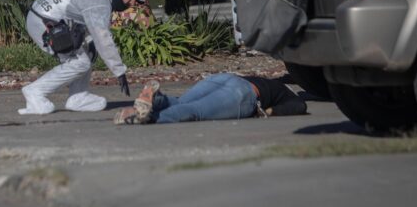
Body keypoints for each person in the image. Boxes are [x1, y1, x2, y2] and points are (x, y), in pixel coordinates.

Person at [18, 0, 145, 115]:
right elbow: (103, 39)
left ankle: (78, 97)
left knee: (89, 49)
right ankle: (34, 92)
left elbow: (94, 38)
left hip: (45, 17)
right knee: (81, 62)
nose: (132, 3)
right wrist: (119, 71)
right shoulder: (100, 0)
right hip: (44, 21)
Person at [113, 73, 307, 124]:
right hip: (245, 94)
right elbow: (299, 106)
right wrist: (268, 112)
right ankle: (145, 118)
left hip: (224, 78)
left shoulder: (271, 81)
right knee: (195, 111)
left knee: (182, 102)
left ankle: (156, 99)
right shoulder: (288, 91)